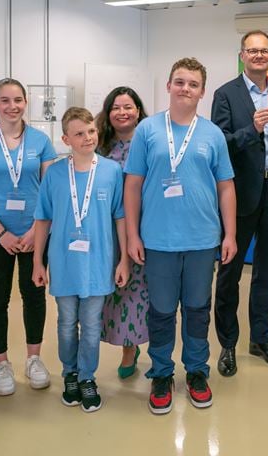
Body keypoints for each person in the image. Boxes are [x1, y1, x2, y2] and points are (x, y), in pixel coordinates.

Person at [124, 57, 237, 415]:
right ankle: (160, 373)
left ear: (202, 91)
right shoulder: (147, 131)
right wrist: (131, 235)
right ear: (169, 86)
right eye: (179, 81)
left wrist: (230, 233)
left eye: (192, 83)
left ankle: (197, 371)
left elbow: (226, 187)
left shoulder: (213, 134)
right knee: (160, 312)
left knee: (197, 310)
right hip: (158, 239)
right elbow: (133, 185)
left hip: (203, 239)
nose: (185, 88)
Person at [211, 30, 268, 376]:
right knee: (230, 273)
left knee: (266, 274)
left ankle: (260, 340)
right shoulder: (226, 94)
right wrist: (253, 129)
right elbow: (221, 144)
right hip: (240, 194)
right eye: (252, 50)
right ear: (242, 55)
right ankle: (228, 343)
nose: (259, 56)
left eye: (265, 51)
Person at [32, 107, 130, 413]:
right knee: (65, 324)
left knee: (90, 326)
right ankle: (69, 373)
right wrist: (38, 261)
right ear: (65, 139)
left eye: (91, 131)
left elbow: (121, 218)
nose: (87, 138)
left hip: (99, 263)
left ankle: (87, 377)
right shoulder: (55, 174)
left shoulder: (112, 171)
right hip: (63, 264)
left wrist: (124, 259)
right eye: (79, 133)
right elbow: (43, 219)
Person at [0, 78, 57, 396]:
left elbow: (49, 191)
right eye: (5, 100)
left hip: (35, 234)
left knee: (34, 296)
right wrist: (1, 233)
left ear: (25, 103)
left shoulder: (41, 141)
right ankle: (1, 364)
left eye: (18, 100)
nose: (12, 106)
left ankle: (34, 359)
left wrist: (35, 231)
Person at [95, 87, 150, 379]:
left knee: (137, 289)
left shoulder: (150, 142)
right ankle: (121, 339)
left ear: (138, 110)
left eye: (128, 107)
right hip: (106, 228)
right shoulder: (99, 146)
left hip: (143, 227)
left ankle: (132, 346)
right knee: (114, 288)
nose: (122, 112)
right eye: (116, 107)